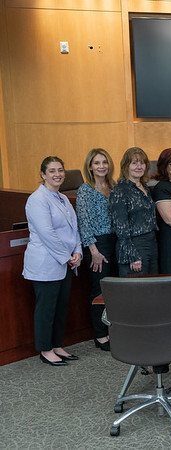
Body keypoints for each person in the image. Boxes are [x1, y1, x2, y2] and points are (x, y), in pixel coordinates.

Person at [24, 156, 83, 366]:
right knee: (47, 309)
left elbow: (74, 228)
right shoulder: (37, 199)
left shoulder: (63, 198)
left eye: (60, 170)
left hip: (65, 262)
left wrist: (78, 251)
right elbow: (47, 233)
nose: (57, 174)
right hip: (46, 263)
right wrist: (67, 257)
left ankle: (57, 345)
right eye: (51, 171)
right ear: (42, 174)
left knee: (60, 307)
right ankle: (45, 349)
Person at [76, 148, 116, 351]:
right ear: (90, 166)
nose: (101, 166)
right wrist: (93, 250)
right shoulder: (85, 189)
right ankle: (100, 335)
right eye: (97, 163)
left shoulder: (114, 186)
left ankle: (113, 331)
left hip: (115, 241)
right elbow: (83, 222)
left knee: (114, 289)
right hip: (97, 245)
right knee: (98, 290)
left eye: (104, 162)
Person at [109, 147, 158, 277]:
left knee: (153, 289)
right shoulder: (120, 190)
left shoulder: (145, 187)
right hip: (134, 245)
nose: (139, 166)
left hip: (151, 243)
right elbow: (121, 227)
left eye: (142, 163)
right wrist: (132, 254)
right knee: (137, 292)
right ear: (126, 166)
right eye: (134, 163)